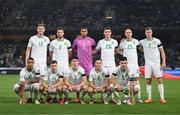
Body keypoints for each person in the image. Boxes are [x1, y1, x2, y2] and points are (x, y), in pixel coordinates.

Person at [140, 27, 166, 104]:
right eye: (147, 32)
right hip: (148, 64)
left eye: (149, 32)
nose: (148, 33)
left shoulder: (157, 41)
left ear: (152, 32)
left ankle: (162, 98)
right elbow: (134, 43)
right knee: (148, 81)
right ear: (145, 33)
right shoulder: (142, 41)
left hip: (156, 63)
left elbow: (162, 51)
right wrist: (123, 40)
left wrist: (163, 62)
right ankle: (149, 98)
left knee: (159, 80)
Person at [25, 23, 50, 103]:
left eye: (42, 29)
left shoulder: (47, 39)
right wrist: (27, 60)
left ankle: (39, 97)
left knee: (41, 81)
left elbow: (49, 50)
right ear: (37, 30)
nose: (40, 30)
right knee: (32, 79)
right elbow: (28, 49)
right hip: (34, 63)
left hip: (43, 63)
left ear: (44, 30)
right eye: (39, 29)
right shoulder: (32, 38)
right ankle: (30, 97)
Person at [119, 28, 143, 104]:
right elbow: (118, 50)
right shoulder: (122, 43)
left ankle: (139, 98)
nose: (128, 34)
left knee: (137, 81)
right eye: (127, 33)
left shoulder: (136, 41)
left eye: (129, 32)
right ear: (125, 34)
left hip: (135, 64)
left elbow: (140, 49)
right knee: (126, 82)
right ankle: (127, 98)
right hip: (127, 65)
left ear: (131, 33)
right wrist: (124, 54)